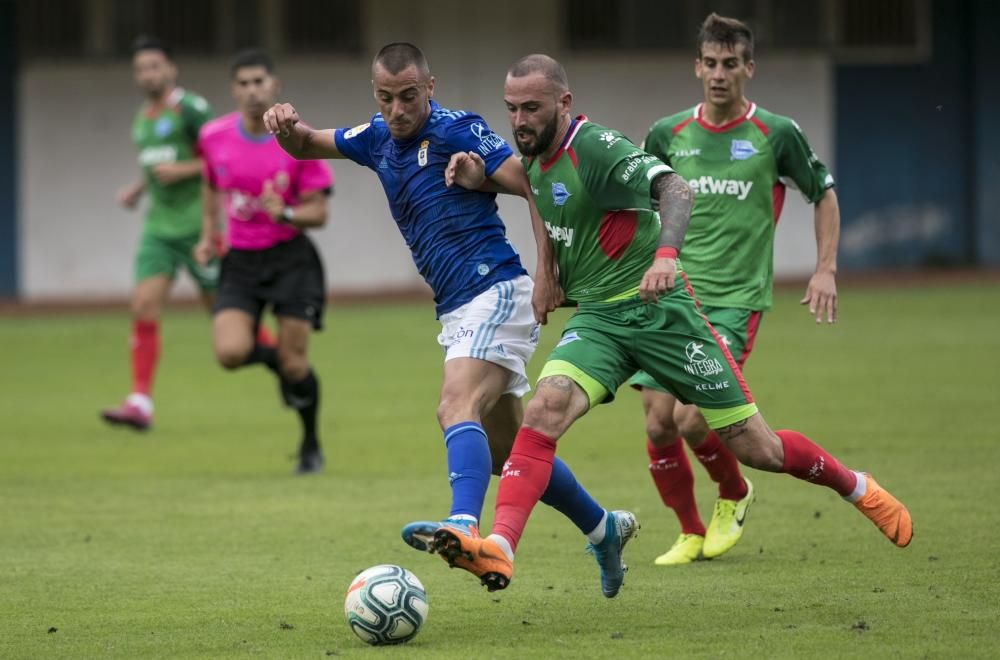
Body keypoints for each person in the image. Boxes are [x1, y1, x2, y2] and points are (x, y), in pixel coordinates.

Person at [436, 53, 912, 593]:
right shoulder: (540, 156)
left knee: (758, 449)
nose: (519, 120)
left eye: (532, 108)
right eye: (512, 109)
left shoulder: (595, 146)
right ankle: (498, 547)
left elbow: (676, 189)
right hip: (600, 321)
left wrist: (666, 254)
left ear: (564, 104)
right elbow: (534, 184)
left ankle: (857, 487)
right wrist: (482, 180)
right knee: (543, 412)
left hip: (664, 317)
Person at [264, 42, 636, 597]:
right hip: (459, 306)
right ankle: (604, 527)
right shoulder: (375, 138)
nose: (397, 110)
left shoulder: (459, 129)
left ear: (429, 90)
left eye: (409, 97)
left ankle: (463, 525)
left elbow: (532, 184)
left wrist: (547, 270)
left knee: (453, 405)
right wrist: (284, 126)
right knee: (507, 453)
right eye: (386, 98)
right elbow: (305, 145)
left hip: (496, 289)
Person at [630, 13, 844, 566]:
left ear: (749, 68)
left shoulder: (775, 133)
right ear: (696, 66)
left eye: (730, 64)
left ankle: (734, 491)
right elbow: (639, 205)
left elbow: (822, 192)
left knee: (692, 417)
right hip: (672, 295)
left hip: (734, 299)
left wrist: (825, 268)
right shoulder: (667, 133)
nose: (719, 73)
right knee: (657, 421)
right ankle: (689, 529)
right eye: (710, 63)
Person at [194, 49, 332, 474]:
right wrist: (206, 234)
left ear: (275, 86)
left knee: (297, 364)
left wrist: (286, 213)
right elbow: (210, 182)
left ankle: (310, 443)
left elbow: (319, 215)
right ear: (233, 90)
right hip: (241, 260)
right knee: (229, 352)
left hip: (292, 259)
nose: (253, 91)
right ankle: (277, 365)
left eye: (260, 82)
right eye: (244, 83)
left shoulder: (296, 140)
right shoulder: (214, 136)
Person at [101, 36, 216, 430]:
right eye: (140, 68)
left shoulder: (192, 110)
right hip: (158, 229)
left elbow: (223, 160)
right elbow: (156, 166)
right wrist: (138, 189)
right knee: (143, 305)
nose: (148, 74)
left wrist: (184, 171)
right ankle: (140, 401)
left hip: (199, 227)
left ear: (171, 69)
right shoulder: (142, 119)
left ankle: (283, 364)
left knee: (227, 323)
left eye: (154, 65)